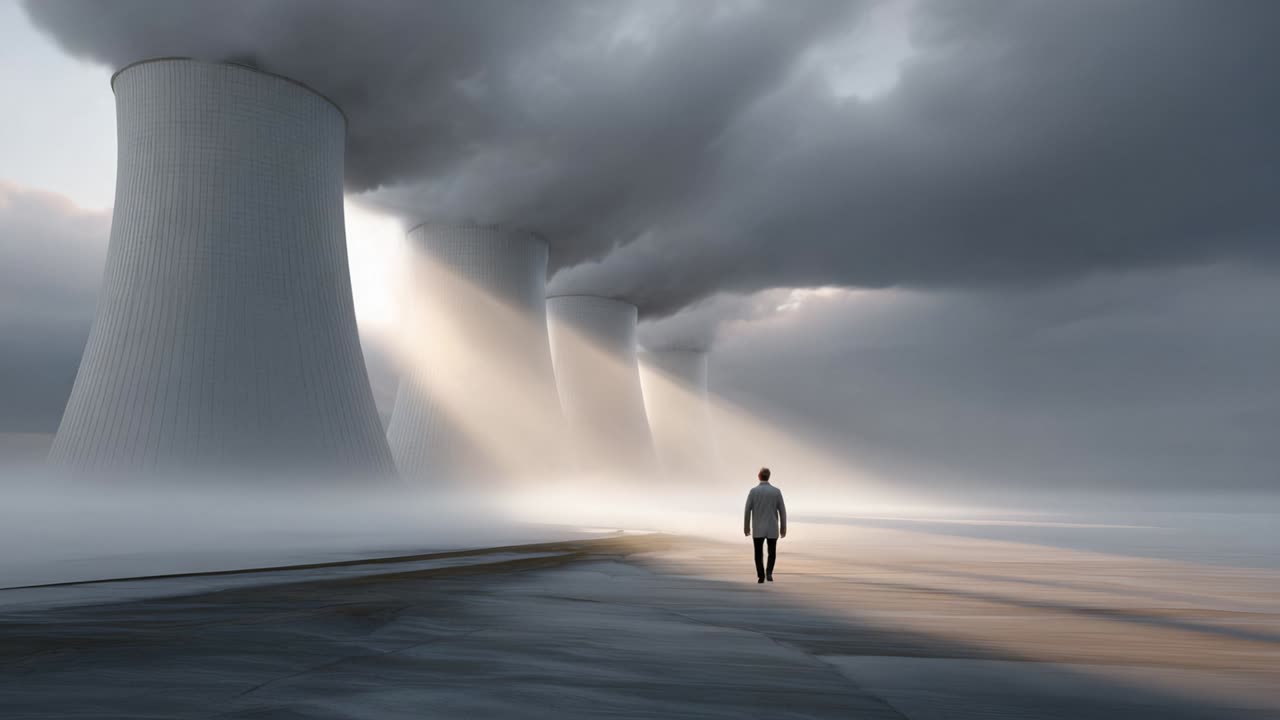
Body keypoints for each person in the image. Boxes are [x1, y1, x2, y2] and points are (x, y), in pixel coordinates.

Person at [743, 466, 786, 583]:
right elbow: (782, 511)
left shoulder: (753, 491)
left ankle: (761, 575)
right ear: (769, 476)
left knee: (758, 553)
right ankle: (769, 572)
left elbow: (747, 510)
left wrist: (746, 528)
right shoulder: (776, 492)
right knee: (772, 552)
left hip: (758, 527)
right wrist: (783, 528)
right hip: (772, 527)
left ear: (759, 476)